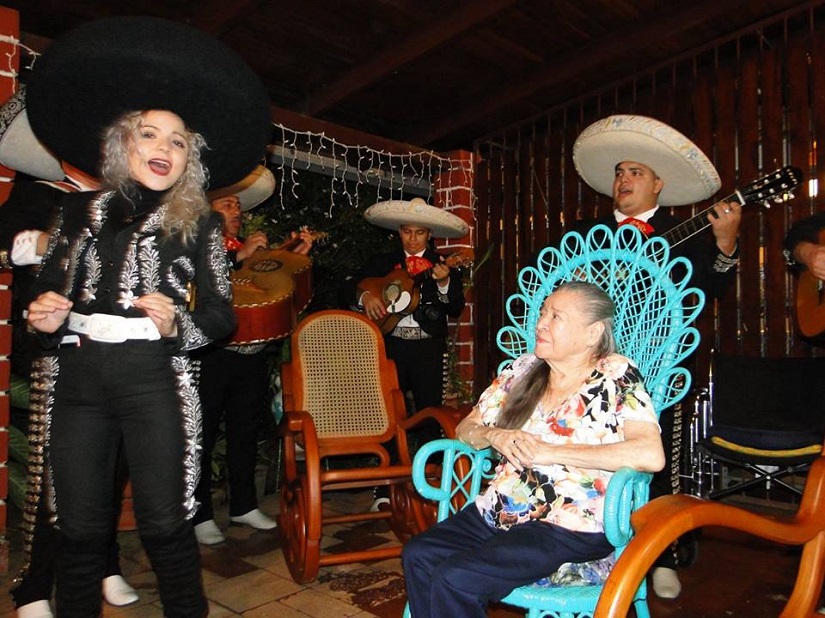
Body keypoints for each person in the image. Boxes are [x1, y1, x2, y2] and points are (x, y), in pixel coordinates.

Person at [22, 15, 271, 617]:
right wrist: (43, 318)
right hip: (78, 381)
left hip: (154, 380)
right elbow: (49, 291)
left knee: (164, 523)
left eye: (178, 141)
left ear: (191, 160)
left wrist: (177, 325)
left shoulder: (201, 223)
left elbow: (222, 317)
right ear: (122, 144)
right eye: (150, 134)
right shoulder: (76, 211)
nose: (163, 148)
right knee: (79, 527)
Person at [401, 281, 665, 617]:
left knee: (457, 577)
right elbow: (466, 430)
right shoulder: (521, 370)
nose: (540, 323)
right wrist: (494, 435)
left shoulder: (615, 374)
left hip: (570, 522)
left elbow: (649, 454)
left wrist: (549, 452)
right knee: (419, 553)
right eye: (543, 313)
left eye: (556, 317)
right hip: (500, 509)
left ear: (592, 333)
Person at [570, 114, 742, 599]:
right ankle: (585, 547)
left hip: (657, 369)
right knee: (585, 454)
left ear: (658, 184)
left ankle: (661, 555)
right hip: (589, 365)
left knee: (658, 461)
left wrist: (726, 241)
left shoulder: (684, 233)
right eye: (619, 172)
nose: (623, 180)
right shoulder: (586, 231)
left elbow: (713, 289)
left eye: (636, 172)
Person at [0, 91, 138, 616]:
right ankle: (34, 586)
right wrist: (44, 243)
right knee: (54, 471)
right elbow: (8, 246)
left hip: (120, 354)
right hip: (57, 352)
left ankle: (104, 564)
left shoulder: (128, 205)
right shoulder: (39, 194)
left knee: (114, 467)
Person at [192, 166, 314, 545]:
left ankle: (244, 505)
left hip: (252, 353)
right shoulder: (194, 246)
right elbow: (195, 287)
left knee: (245, 430)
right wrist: (236, 258)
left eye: (237, 206)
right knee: (202, 434)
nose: (236, 211)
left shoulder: (250, 250)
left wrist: (291, 261)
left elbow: (270, 291)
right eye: (226, 205)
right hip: (212, 356)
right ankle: (199, 514)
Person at [340, 197, 468, 510]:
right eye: (407, 232)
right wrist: (366, 295)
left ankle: (430, 488)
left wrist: (444, 282)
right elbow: (349, 287)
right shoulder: (383, 262)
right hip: (392, 346)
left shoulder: (442, 264)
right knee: (387, 417)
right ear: (399, 232)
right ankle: (383, 491)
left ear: (429, 234)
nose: (413, 239)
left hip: (427, 348)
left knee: (430, 414)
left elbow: (455, 307)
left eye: (419, 233)